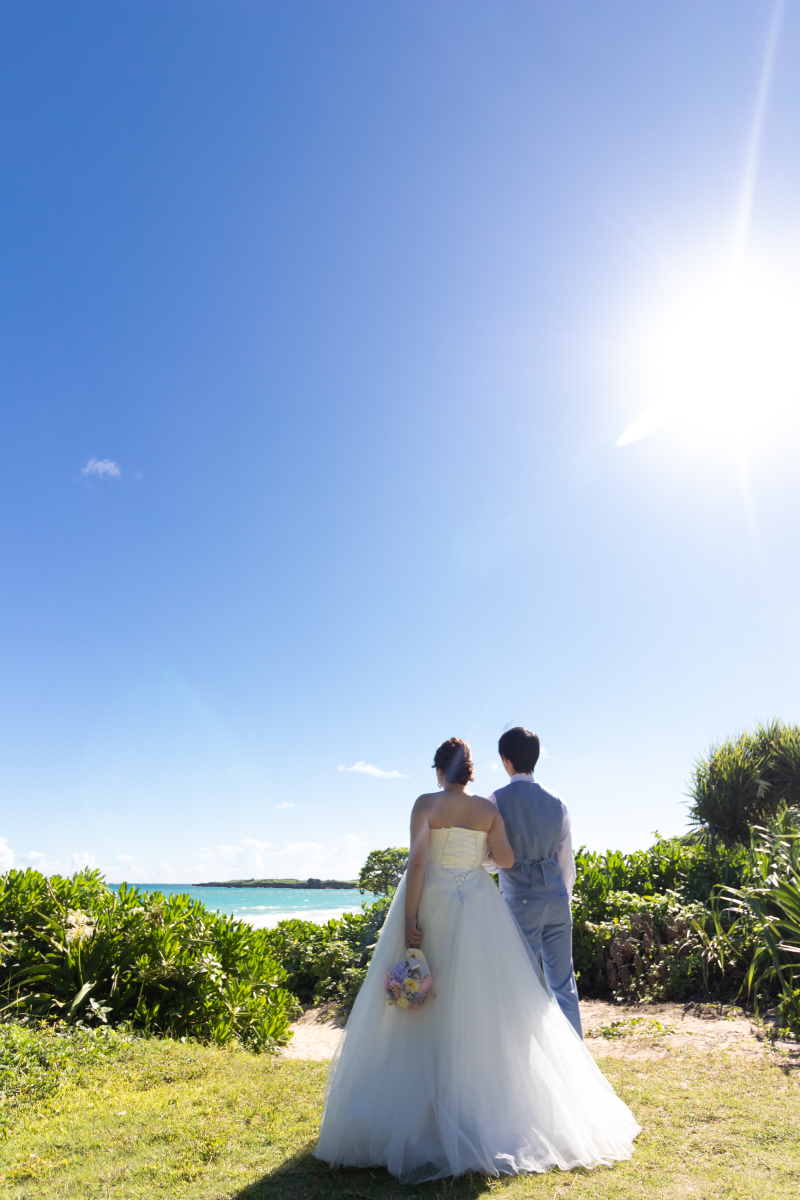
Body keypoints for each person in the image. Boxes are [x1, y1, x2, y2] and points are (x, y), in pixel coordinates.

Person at [314, 737, 640, 1183]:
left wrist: (411, 919)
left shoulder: (424, 804)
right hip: (478, 905)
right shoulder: (488, 812)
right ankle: (480, 1108)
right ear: (470, 772)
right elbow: (504, 858)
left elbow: (416, 865)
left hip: (432, 903)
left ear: (438, 770)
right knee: (482, 1003)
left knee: (420, 1007)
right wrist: (477, 856)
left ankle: (418, 1112)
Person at [487, 726, 582, 1038]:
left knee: (523, 985)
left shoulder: (496, 801)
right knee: (564, 983)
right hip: (556, 898)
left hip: (521, 900)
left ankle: (531, 1067)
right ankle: (576, 1060)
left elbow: (492, 857)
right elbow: (566, 862)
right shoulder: (559, 803)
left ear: (506, 760)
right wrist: (560, 896)